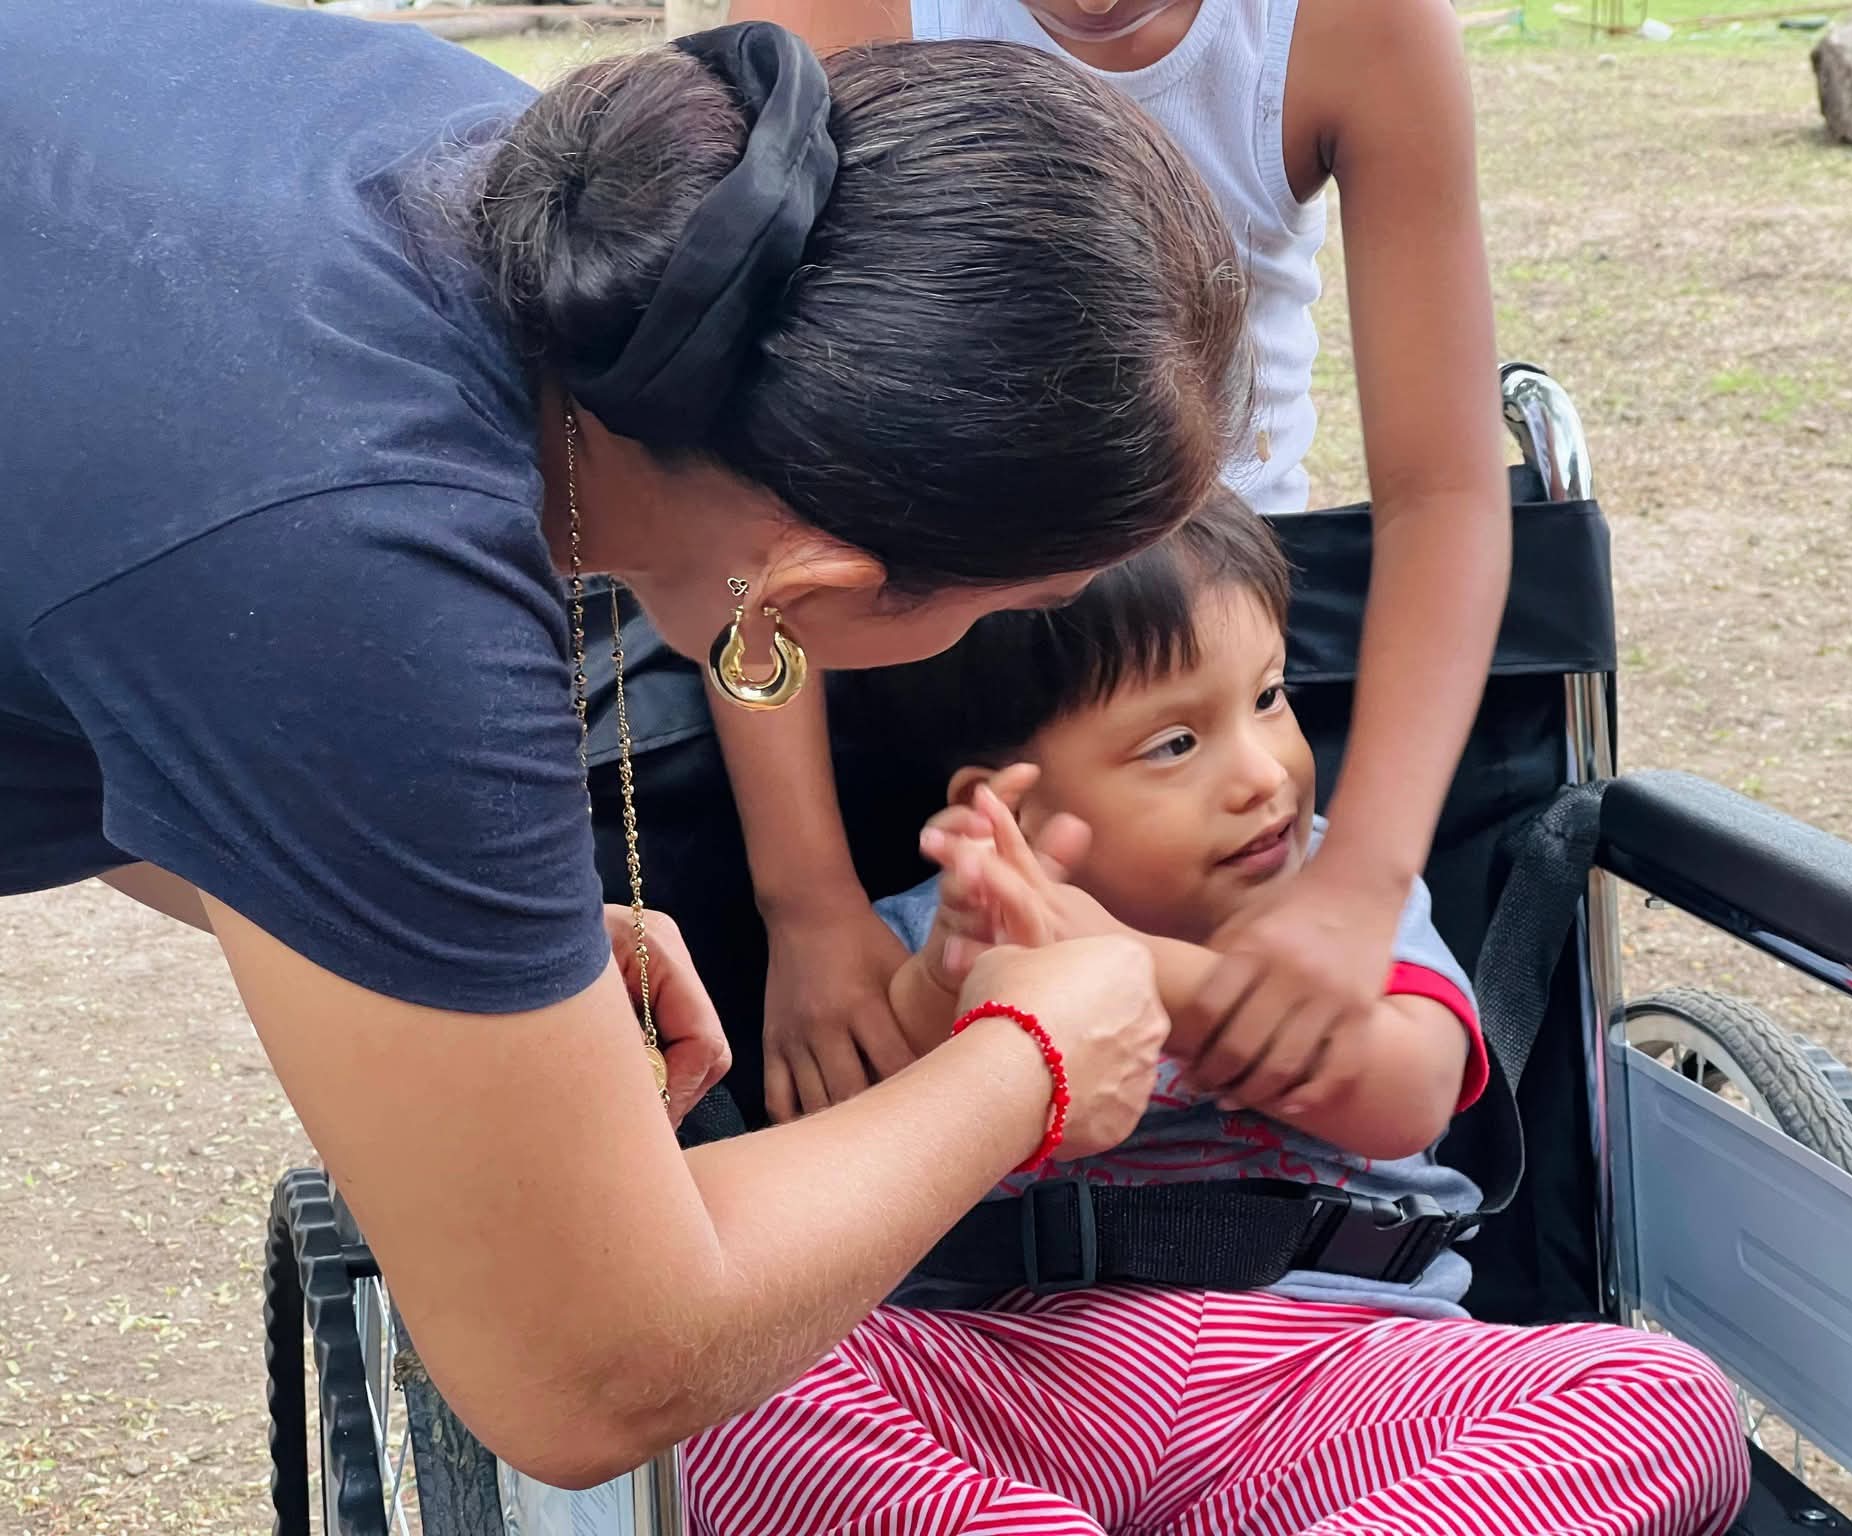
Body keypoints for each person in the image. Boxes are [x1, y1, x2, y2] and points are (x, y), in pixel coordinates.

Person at [0, 0, 1255, 1487]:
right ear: (805, 590)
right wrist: (1032, 1060)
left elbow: (131, 637)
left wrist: (461, 941)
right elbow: (587, 1368)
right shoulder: (368, 559)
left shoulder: (522, 184)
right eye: (1020, 608)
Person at [678, 497, 1750, 1536]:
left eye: (1270, 697)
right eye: (1175, 745)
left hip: (1335, 1371)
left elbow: (1407, 1098)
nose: (1261, 773)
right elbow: (853, 1170)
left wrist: (1136, 971)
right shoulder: (940, 933)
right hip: (1003, 1372)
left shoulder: (1341, 900)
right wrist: (940, 992)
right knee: (710, 1399)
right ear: (1012, 808)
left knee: (1661, 1400)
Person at [612, 0, 1511, 1134]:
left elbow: (1443, 492)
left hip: (1210, 593)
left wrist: (1363, 880)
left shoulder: (1356, 28)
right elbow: (748, 494)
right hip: (904, 601)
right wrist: (808, 902)